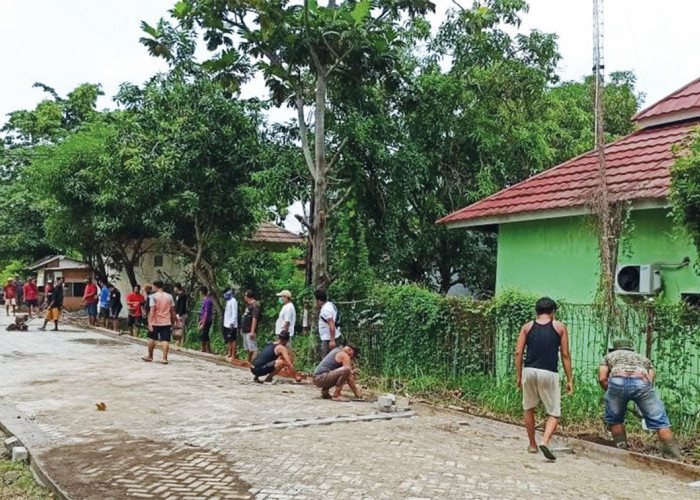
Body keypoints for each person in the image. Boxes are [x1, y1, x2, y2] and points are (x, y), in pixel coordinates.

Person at [598, 338, 681, 459]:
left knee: (615, 419)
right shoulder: (642, 358)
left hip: (617, 380)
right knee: (660, 421)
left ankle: (621, 452)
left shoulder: (609, 356)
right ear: (630, 349)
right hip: (641, 382)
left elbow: (602, 378)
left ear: (615, 349)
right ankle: (674, 458)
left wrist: (609, 391)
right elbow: (650, 378)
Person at [515, 297, 573, 461]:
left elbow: (518, 353)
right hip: (549, 372)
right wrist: (570, 379)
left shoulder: (527, 327)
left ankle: (532, 445)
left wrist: (519, 376)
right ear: (553, 312)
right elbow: (565, 355)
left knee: (529, 407)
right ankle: (545, 441)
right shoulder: (560, 327)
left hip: (529, 370)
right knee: (554, 411)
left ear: (536, 311)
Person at [144, 280, 177, 364]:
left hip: (155, 321)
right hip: (166, 321)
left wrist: (150, 323)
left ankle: (150, 356)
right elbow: (172, 310)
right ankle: (164, 358)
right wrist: (175, 320)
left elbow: (152, 311)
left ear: (155, 286)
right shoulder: (169, 296)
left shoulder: (153, 296)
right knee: (165, 340)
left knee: (152, 338)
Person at [315, 289, 341, 359]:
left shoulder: (325, 310)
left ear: (319, 300)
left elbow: (331, 324)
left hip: (328, 337)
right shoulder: (330, 304)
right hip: (333, 335)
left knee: (327, 359)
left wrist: (332, 340)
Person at [240, 290, 261, 364]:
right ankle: (248, 361)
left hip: (250, 330)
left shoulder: (255, 305)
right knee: (248, 348)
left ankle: (254, 363)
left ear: (247, 296)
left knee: (254, 349)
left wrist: (252, 331)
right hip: (245, 329)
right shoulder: (249, 305)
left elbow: (254, 318)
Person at [223, 288, 238, 361]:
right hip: (226, 323)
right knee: (228, 339)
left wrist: (232, 322)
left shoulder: (233, 301)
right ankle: (229, 352)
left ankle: (233, 354)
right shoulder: (228, 301)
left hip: (232, 324)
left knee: (233, 339)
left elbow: (234, 313)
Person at [198, 286, 214, 353]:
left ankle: (207, 349)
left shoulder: (208, 301)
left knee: (205, 334)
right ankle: (204, 348)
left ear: (201, 292)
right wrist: (200, 321)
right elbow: (203, 312)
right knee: (204, 334)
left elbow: (206, 313)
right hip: (204, 319)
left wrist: (203, 323)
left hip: (207, 320)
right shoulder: (204, 300)